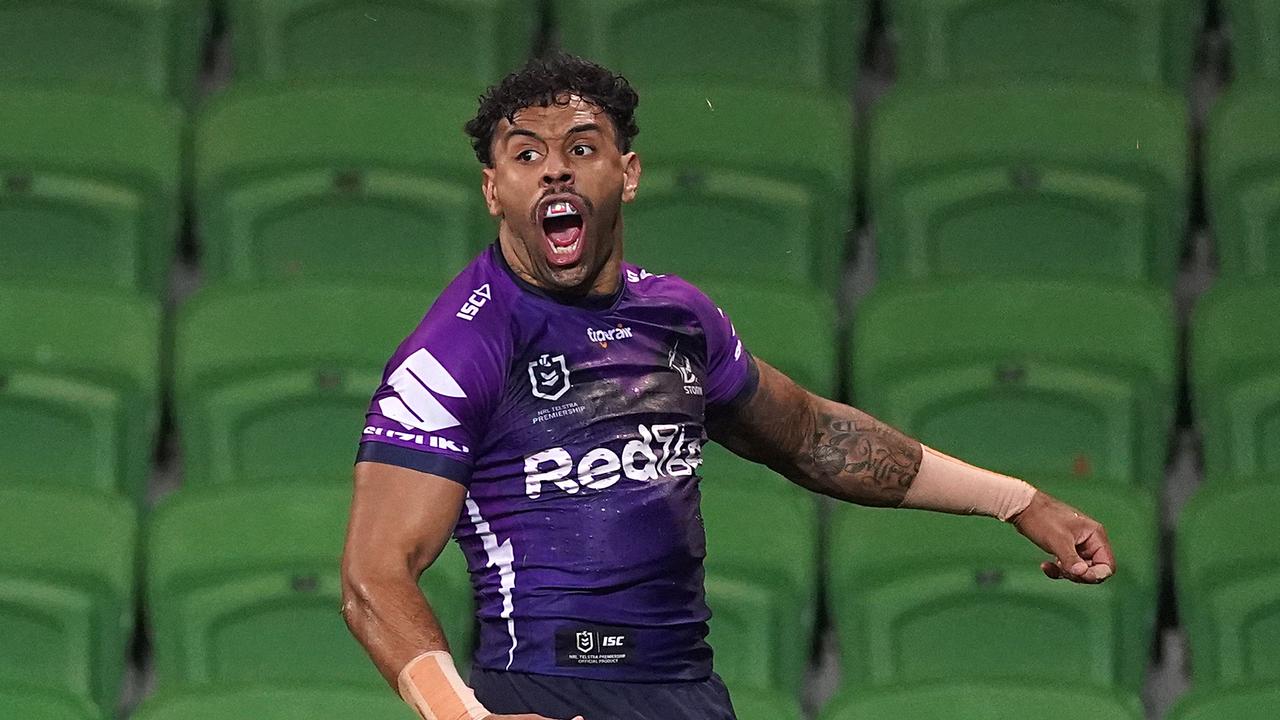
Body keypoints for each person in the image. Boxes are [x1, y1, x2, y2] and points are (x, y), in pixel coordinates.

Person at [340, 52, 1115, 720]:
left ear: (628, 173)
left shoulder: (680, 317)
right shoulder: (459, 345)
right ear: (493, 190)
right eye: (525, 156)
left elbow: (813, 439)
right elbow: (372, 576)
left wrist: (1018, 501)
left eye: (581, 147)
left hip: (687, 693)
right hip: (549, 693)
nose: (554, 169)